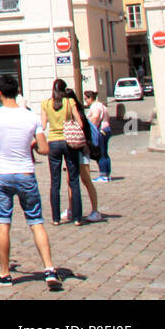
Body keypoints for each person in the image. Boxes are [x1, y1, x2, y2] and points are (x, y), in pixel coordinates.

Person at [0, 74, 62, 290]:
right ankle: (49, 268)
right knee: (36, 222)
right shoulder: (31, 117)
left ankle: (5, 273)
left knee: (3, 222)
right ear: (17, 91)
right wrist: (33, 143)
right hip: (26, 173)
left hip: (3, 175)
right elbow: (44, 149)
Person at [39, 79, 81, 225]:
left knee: (55, 182)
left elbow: (43, 125)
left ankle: (56, 218)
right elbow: (80, 123)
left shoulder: (46, 104)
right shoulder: (70, 103)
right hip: (69, 141)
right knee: (74, 180)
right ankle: (77, 218)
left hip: (53, 142)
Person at [64, 89, 104, 223]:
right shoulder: (69, 114)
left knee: (86, 180)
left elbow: (85, 132)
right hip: (72, 150)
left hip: (82, 149)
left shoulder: (79, 114)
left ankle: (95, 210)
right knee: (70, 180)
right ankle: (70, 209)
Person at [85, 89, 112, 182]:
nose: (86, 101)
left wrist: (92, 128)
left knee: (100, 153)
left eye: (86, 99)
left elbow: (96, 117)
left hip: (100, 131)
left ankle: (103, 174)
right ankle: (107, 173)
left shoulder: (95, 106)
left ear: (90, 98)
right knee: (105, 152)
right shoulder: (101, 105)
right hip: (106, 129)